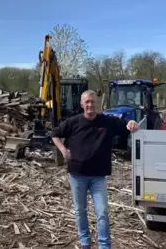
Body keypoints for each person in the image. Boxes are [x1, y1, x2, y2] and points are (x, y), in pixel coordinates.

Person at [51, 90, 139, 249]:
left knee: (102, 213)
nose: (90, 104)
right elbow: (55, 134)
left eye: (92, 101)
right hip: (77, 175)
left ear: (97, 103)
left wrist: (132, 122)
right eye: (87, 102)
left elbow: (127, 125)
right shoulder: (73, 122)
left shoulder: (107, 122)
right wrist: (63, 150)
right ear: (82, 104)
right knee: (80, 211)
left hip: (98, 176)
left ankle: (104, 245)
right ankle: (85, 243)